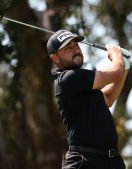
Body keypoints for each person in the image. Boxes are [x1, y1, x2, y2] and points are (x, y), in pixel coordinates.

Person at [47, 30, 129, 169]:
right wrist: (116, 55)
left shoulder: (82, 83)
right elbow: (115, 73)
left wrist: (124, 65)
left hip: (110, 161)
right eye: (68, 48)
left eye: (76, 45)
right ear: (55, 58)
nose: (76, 50)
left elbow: (108, 98)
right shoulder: (68, 78)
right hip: (84, 162)